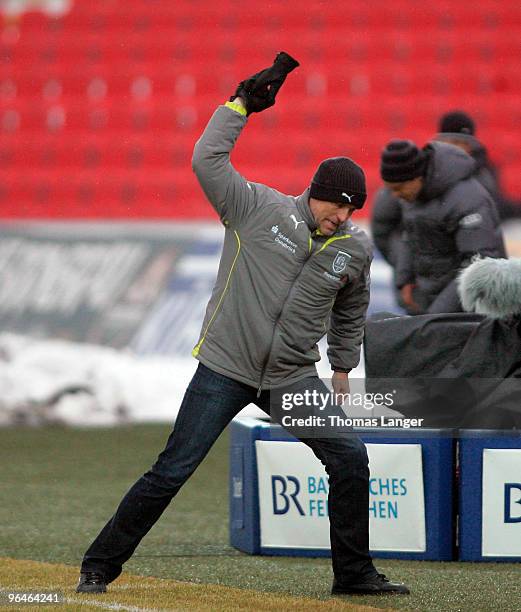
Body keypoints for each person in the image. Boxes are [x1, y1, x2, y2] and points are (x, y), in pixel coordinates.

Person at [75, 52, 409, 597]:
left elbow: (352, 309)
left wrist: (344, 366)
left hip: (291, 377)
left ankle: (353, 575)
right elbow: (207, 160)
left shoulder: (355, 249)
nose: (343, 218)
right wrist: (240, 107)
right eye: (338, 207)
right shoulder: (255, 207)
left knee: (350, 457)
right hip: (226, 367)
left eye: (352, 211)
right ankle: (99, 564)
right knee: (171, 471)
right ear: (315, 191)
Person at [370, 110, 518, 312]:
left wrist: (437, 316)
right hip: (427, 298)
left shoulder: (471, 193)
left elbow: (479, 261)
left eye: (460, 143)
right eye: (449, 141)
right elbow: (401, 233)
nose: (395, 195)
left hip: (462, 308)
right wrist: (405, 278)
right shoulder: (411, 188)